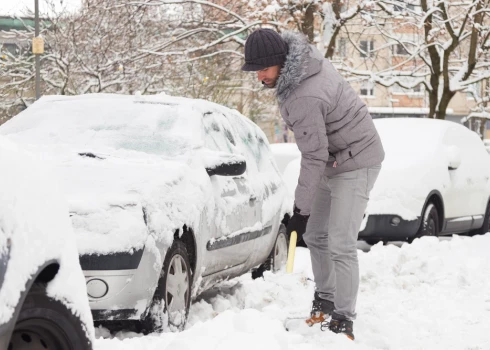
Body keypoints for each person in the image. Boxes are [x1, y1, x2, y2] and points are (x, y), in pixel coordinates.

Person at [241, 28, 385, 340]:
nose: (259, 77)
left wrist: (300, 210)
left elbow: (313, 155)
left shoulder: (304, 94)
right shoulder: (300, 71)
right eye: (255, 71)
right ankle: (326, 303)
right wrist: (304, 216)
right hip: (334, 157)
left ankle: (343, 320)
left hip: (357, 160)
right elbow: (318, 151)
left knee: (341, 242)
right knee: (317, 236)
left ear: (280, 61)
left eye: (263, 69)